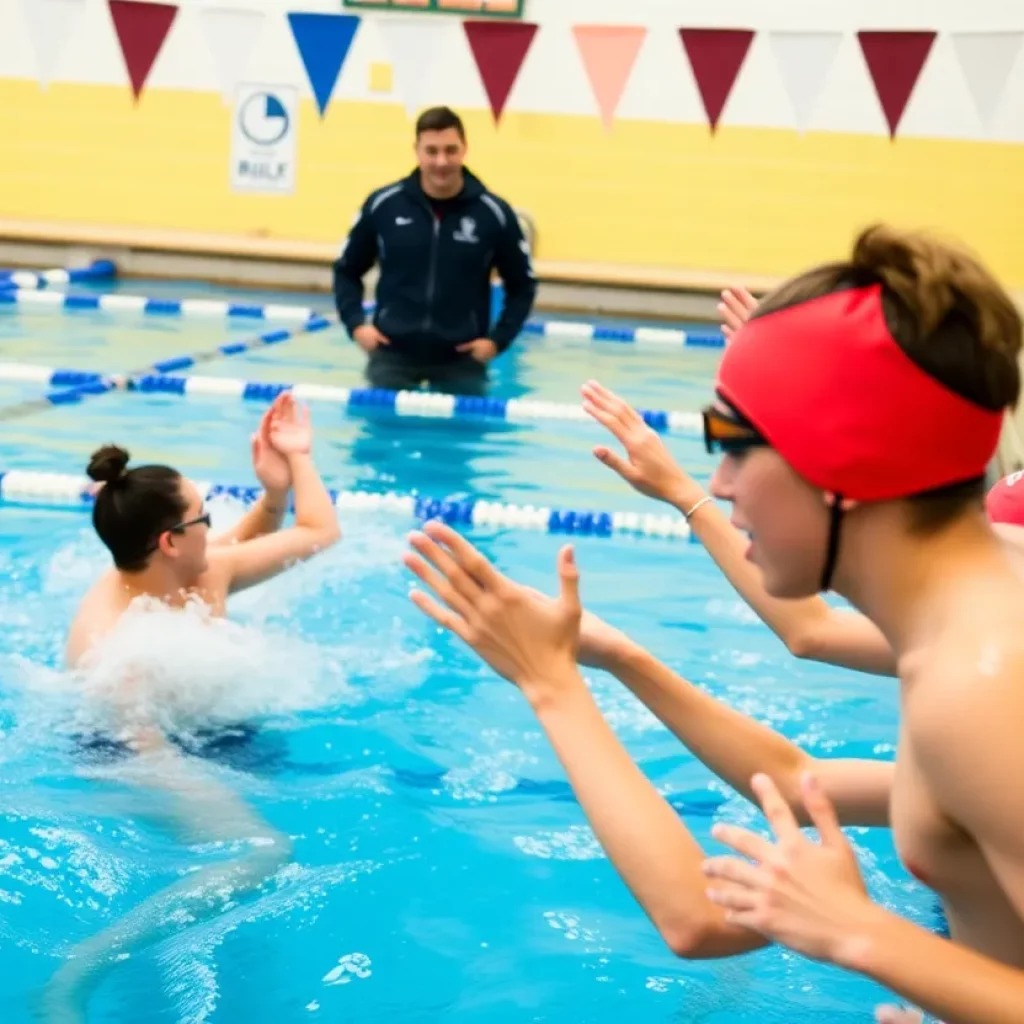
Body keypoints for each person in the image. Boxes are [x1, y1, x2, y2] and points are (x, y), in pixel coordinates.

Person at [403, 225, 1024, 1024]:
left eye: (731, 443)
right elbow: (798, 789)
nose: (718, 483)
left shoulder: (982, 687)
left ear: (841, 460)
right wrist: (610, 656)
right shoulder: (980, 604)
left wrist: (866, 936)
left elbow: (701, 924)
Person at [45, 393, 341, 1024]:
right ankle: (73, 980)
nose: (216, 524)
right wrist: (300, 454)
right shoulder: (112, 648)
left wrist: (278, 488)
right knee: (263, 854)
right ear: (169, 540)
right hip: (125, 748)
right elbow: (136, 747)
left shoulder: (189, 570)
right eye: (204, 515)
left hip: (202, 730)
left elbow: (315, 534)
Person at [332, 105, 537, 398]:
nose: (441, 161)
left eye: (450, 150)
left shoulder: (493, 214)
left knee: (461, 442)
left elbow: (523, 285)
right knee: (380, 437)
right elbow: (346, 269)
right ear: (417, 151)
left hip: (462, 362)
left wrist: (497, 342)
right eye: (432, 151)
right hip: (391, 356)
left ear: (465, 149)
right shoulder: (384, 206)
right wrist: (355, 325)